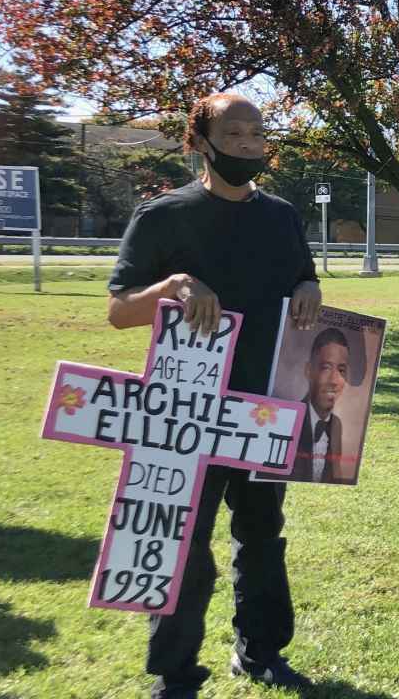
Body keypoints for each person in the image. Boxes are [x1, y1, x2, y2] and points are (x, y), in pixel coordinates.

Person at [107, 93, 321, 699]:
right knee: (183, 542)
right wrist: (173, 285)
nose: (250, 145)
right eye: (235, 133)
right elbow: (119, 311)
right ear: (200, 141)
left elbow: (301, 275)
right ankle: (176, 673)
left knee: (262, 535)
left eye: (258, 134)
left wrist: (308, 282)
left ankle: (260, 652)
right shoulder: (163, 216)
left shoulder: (280, 215)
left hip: (262, 407)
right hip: (185, 413)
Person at [289, 328, 352, 484]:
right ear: (309, 370)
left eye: (341, 370)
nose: (334, 380)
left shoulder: (336, 424)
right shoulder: (289, 418)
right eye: (326, 368)